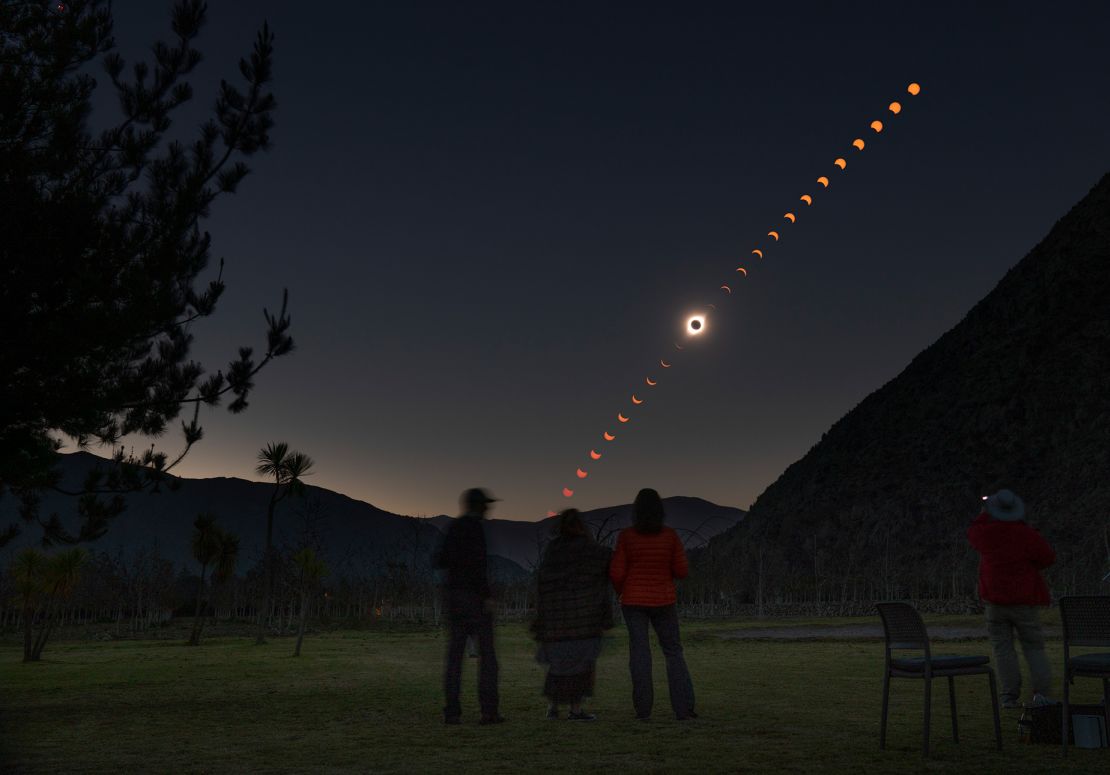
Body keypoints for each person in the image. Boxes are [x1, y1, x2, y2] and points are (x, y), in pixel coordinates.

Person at [609, 488, 696, 720]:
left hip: (633, 602)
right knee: (673, 652)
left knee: (639, 653)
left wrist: (623, 592)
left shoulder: (627, 537)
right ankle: (684, 709)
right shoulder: (670, 536)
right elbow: (682, 570)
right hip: (664, 600)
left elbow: (616, 573)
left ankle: (643, 710)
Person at [967, 488, 1055, 709]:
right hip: (1024, 600)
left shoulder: (986, 533)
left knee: (1003, 649)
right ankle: (1042, 694)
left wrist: (983, 512)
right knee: (1034, 648)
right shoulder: (1025, 535)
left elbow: (973, 531)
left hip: (995, 601)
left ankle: (1009, 696)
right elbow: (1047, 557)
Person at [531, 509, 614, 721]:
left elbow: (543, 583)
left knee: (558, 666)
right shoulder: (591, 550)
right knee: (581, 667)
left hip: (556, 622)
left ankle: (552, 708)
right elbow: (603, 568)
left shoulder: (553, 550)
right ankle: (575, 710)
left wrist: (541, 619)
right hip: (584, 621)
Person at [434, 487, 503, 725]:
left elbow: (440, 560)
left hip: (454, 599)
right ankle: (489, 711)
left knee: (454, 657)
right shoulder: (475, 529)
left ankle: (452, 712)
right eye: (485, 505)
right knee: (488, 658)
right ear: (479, 506)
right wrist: (486, 596)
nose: (488, 509)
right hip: (474, 600)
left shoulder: (453, 528)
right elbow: (479, 566)